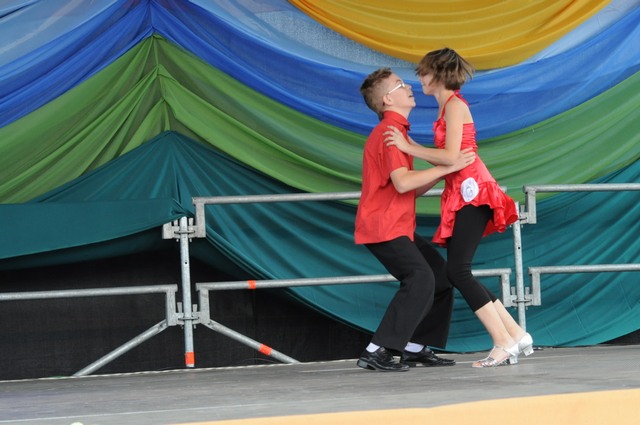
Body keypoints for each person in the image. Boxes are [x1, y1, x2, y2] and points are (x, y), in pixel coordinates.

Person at [384, 48, 533, 368]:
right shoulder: (447, 107)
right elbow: (451, 159)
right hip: (461, 193)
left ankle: (503, 342)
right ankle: (516, 334)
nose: (419, 78)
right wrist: (416, 149)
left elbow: (452, 156)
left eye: (424, 72)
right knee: (459, 270)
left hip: (474, 192)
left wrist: (408, 147)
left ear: (438, 74)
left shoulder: (454, 106)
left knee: (457, 271)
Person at [355, 67, 476, 371]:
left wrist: (445, 171)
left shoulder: (399, 132)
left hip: (396, 225)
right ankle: (377, 349)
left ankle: (414, 346)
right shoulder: (389, 133)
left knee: (440, 276)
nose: (409, 87)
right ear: (387, 99)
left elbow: (411, 187)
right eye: (399, 84)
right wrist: (447, 167)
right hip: (383, 226)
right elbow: (403, 183)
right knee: (420, 277)